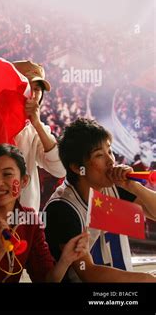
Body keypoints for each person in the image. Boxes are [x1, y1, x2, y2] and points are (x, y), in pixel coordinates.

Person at [43, 118, 156, 282]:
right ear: (76, 167)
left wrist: (134, 187)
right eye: (99, 155)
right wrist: (147, 279)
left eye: (109, 151)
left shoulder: (111, 184)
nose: (111, 161)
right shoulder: (62, 208)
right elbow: (88, 273)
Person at [0, 144, 88, 282]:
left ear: (24, 181)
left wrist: (66, 260)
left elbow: (45, 279)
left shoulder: (29, 220)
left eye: (7, 174)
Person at [12, 60, 66, 212]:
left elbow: (60, 169)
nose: (33, 94)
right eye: (27, 86)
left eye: (37, 89)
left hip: (24, 218)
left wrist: (36, 123)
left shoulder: (36, 130)